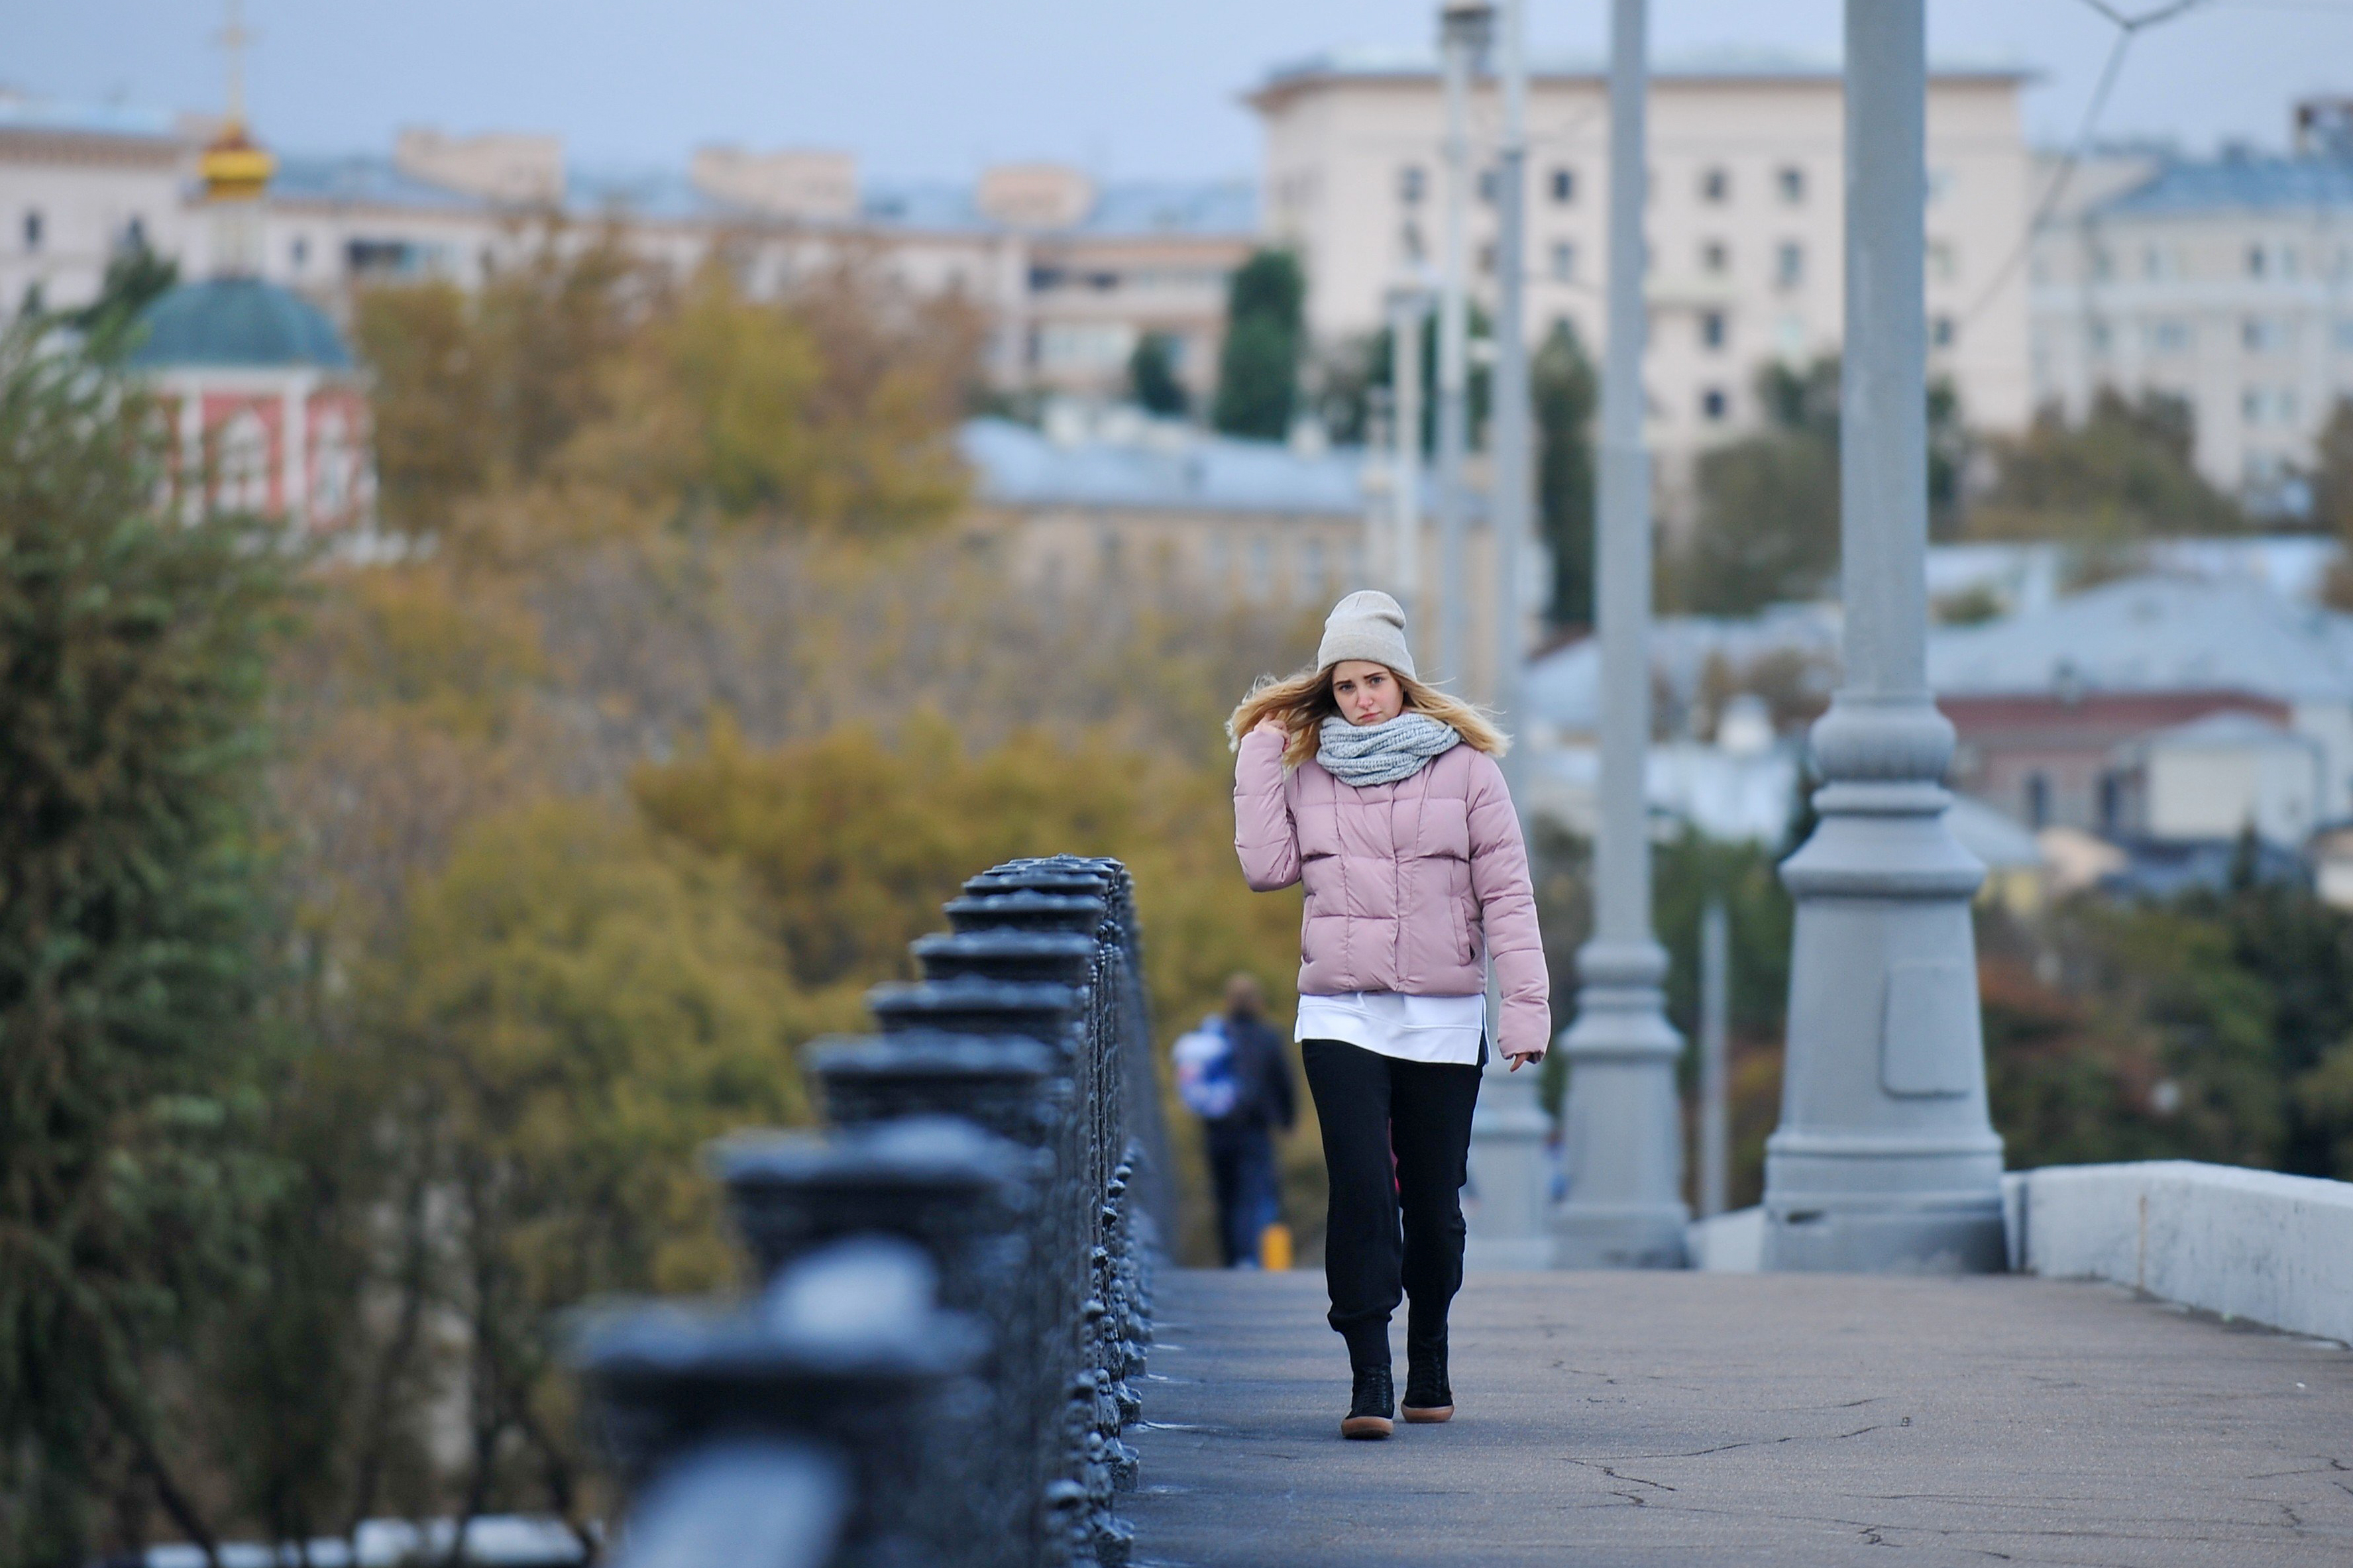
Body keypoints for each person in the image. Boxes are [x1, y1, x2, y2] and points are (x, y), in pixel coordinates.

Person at [1229, 590, 1548, 1441]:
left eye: (1375, 681)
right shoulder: (1305, 775)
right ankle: (1368, 1375)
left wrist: (1524, 1010)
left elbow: (1507, 898)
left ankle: (1429, 1352)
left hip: (1441, 1018)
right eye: (1344, 687)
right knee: (1363, 1192)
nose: (1361, 699)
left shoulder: (1470, 772)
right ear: (1326, 694)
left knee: (1435, 1204)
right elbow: (1265, 868)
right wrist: (1261, 753)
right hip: (1340, 1014)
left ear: (1403, 683)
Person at [1190, 973, 1297, 1268]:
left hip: (1217, 1129)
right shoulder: (1268, 1036)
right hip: (1254, 1128)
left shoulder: (1214, 1034)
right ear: (1257, 1001)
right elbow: (1283, 1082)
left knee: (1225, 1194)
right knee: (1252, 1194)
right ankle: (1247, 1256)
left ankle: (1232, 1257)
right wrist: (1287, 1121)